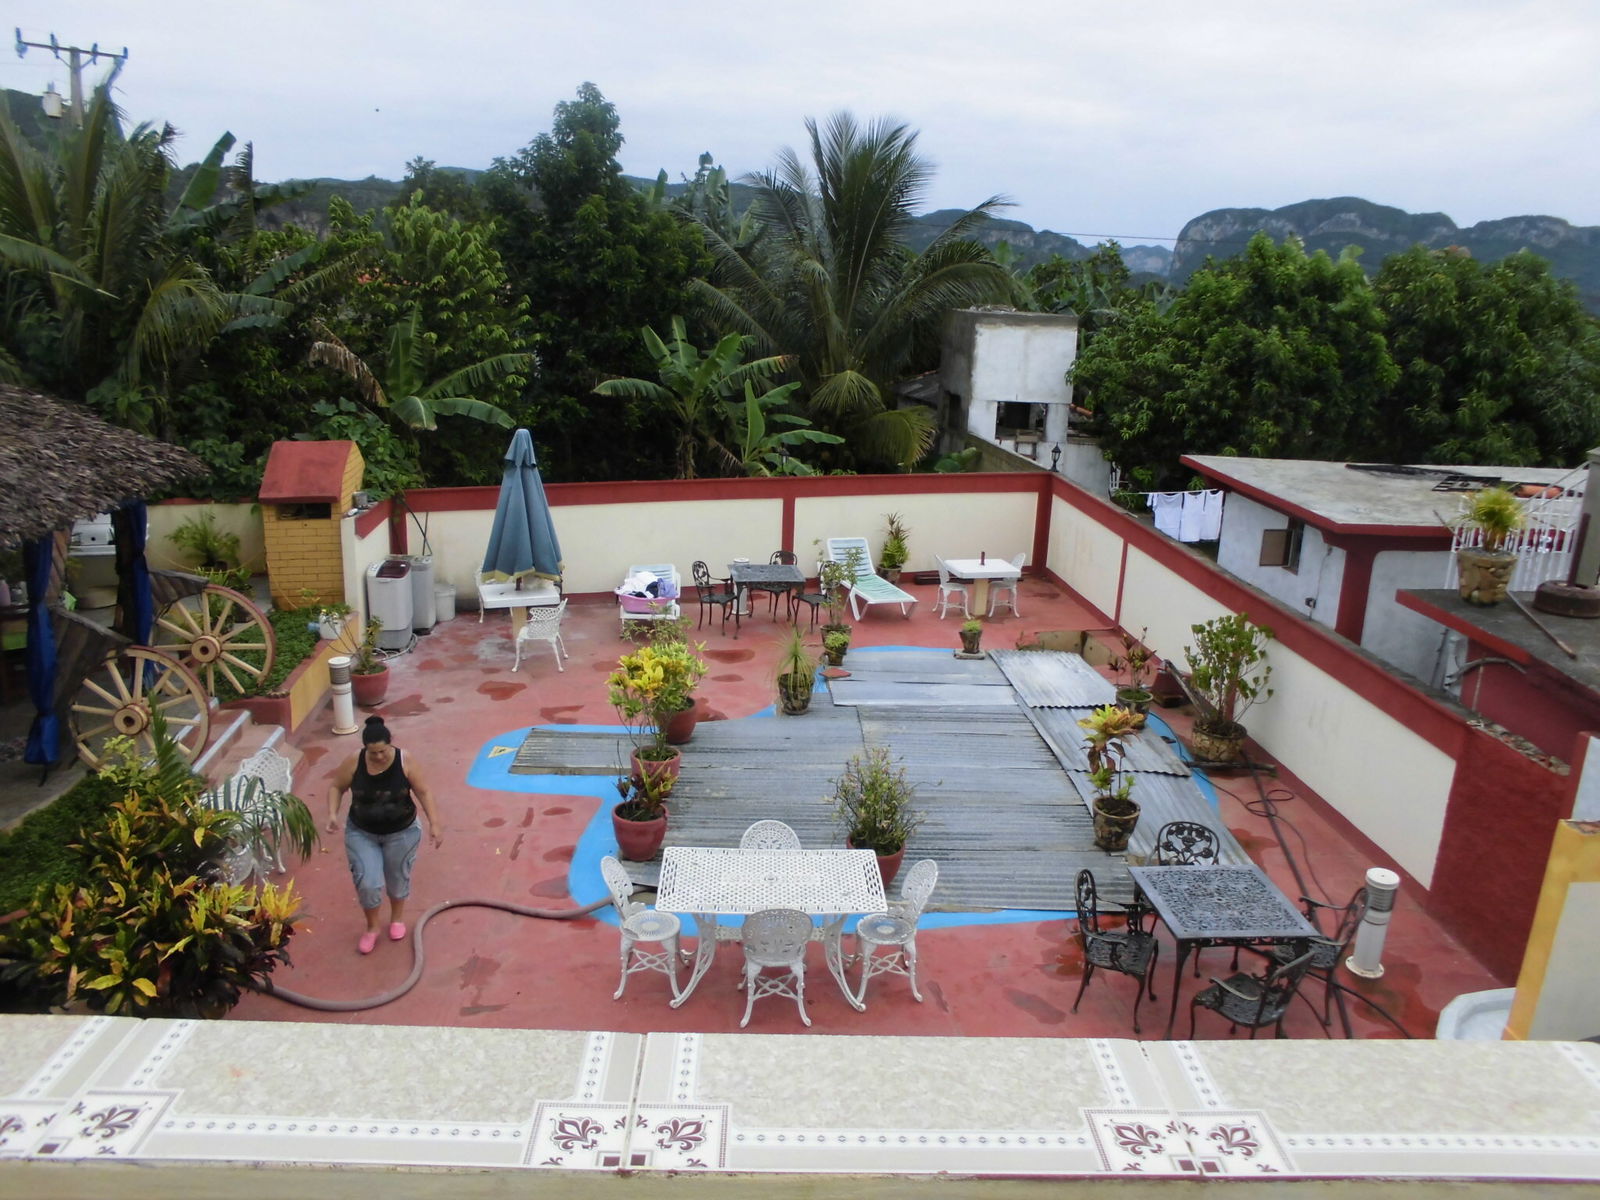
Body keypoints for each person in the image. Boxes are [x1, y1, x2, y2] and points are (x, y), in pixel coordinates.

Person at [325, 715, 443, 954]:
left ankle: (397, 919)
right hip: (362, 832)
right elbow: (336, 787)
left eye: (383, 751)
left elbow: (423, 791)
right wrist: (332, 814)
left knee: (398, 877)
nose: (379, 756)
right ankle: (372, 927)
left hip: (402, 832)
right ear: (365, 749)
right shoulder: (353, 762)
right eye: (373, 752)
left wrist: (435, 823)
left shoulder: (405, 760)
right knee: (367, 882)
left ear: (391, 743)